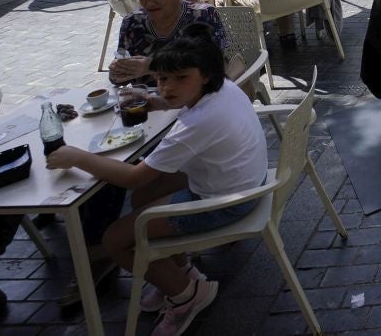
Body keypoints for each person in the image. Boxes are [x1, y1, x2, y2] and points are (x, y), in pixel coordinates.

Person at [48, 35, 266, 334]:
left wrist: (76, 156)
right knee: (144, 197)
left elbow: (130, 176)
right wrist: (154, 103)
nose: (168, 87)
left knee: (114, 240)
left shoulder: (197, 123)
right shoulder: (222, 88)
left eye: (180, 78)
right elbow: (143, 180)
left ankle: (186, 296)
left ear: (205, 75)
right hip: (244, 182)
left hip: (226, 203)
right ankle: (180, 273)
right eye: (162, 78)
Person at [111, 0, 230, 87]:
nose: (149, 3)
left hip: (197, 104)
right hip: (147, 104)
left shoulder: (202, 16)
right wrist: (118, 72)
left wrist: (152, 65)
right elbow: (119, 76)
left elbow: (216, 67)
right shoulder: (132, 22)